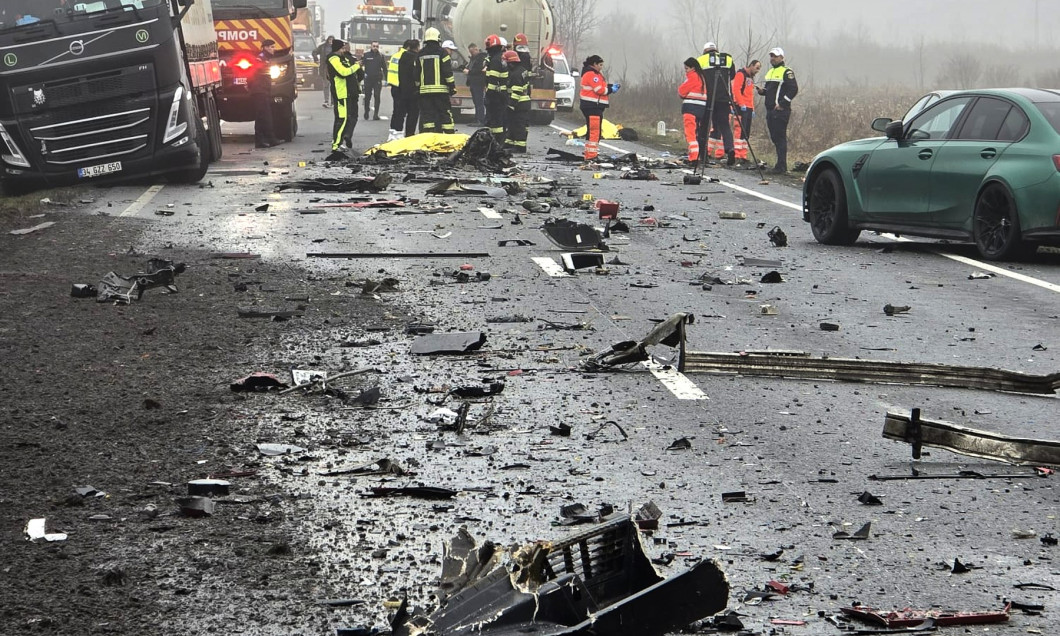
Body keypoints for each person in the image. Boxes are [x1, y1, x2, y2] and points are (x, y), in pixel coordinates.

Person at [758, 47, 798, 173]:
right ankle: (779, 164)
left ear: (781, 57)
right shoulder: (770, 72)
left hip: (780, 111)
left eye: (775, 56)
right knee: (775, 137)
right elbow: (769, 90)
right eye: (771, 56)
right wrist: (762, 91)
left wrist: (783, 103)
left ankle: (781, 166)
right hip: (770, 110)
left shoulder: (787, 71)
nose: (772, 58)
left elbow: (794, 89)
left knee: (780, 138)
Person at [697, 42, 736, 165]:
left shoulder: (700, 60)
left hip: (708, 98)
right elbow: (733, 76)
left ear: (705, 51)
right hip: (724, 98)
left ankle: (703, 155)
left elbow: (698, 79)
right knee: (725, 125)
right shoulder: (727, 59)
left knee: (704, 126)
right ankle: (730, 148)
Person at [578, 54, 618, 162]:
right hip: (592, 106)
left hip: (594, 106)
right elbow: (599, 90)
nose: (601, 67)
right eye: (600, 65)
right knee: (594, 132)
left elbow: (600, 87)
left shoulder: (594, 74)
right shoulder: (591, 74)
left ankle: (590, 154)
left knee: (593, 131)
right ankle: (591, 155)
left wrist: (610, 87)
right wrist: (611, 90)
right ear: (594, 64)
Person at [417, 28, 457, 134]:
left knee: (428, 116)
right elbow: (447, 72)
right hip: (441, 92)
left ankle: (429, 136)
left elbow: (416, 73)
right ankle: (449, 137)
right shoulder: (443, 53)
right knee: (445, 114)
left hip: (425, 92)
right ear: (438, 38)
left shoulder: (420, 54)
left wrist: (417, 87)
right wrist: (452, 87)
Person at [327, 39, 364, 153]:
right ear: (337, 49)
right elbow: (343, 72)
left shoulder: (341, 58)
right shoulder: (333, 59)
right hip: (341, 93)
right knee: (341, 119)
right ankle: (336, 145)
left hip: (347, 92)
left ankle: (339, 143)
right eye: (342, 48)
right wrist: (356, 66)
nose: (344, 50)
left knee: (344, 119)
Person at [250, 39, 281, 148]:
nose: (274, 49)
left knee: (260, 117)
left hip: (262, 90)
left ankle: (260, 141)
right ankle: (271, 139)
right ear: (265, 47)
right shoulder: (261, 59)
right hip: (260, 91)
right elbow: (255, 73)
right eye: (272, 47)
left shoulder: (266, 58)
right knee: (265, 116)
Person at [731, 59, 761, 165]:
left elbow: (750, 95)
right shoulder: (741, 74)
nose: (757, 71)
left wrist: (752, 108)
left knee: (746, 133)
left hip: (748, 107)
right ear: (751, 65)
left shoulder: (750, 78)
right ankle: (737, 155)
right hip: (741, 107)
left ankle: (743, 155)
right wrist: (741, 104)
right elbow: (736, 90)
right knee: (739, 131)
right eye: (757, 68)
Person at [677, 57, 707, 163]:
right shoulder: (702, 77)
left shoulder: (693, 77)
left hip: (691, 108)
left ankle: (693, 157)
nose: (686, 71)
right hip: (700, 109)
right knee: (696, 132)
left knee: (690, 133)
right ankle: (696, 155)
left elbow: (681, 91)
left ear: (692, 68)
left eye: (687, 68)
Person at [503, 50, 531, 153]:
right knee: (513, 124)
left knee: (518, 125)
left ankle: (520, 146)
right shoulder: (522, 70)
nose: (504, 64)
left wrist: (511, 105)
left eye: (505, 62)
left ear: (510, 63)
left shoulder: (516, 74)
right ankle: (509, 143)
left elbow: (517, 91)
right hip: (524, 102)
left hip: (519, 104)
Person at [484, 34, 509, 144]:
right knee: (499, 119)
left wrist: (488, 95)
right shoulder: (500, 58)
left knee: (496, 120)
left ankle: (497, 142)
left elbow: (493, 80)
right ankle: (497, 141)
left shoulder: (495, 60)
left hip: (495, 96)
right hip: (501, 94)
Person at [397, 39, 422, 138]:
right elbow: (416, 74)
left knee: (402, 113)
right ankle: (409, 134)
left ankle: (398, 133)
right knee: (413, 114)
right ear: (417, 47)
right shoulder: (416, 58)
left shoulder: (403, 56)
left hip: (403, 89)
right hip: (413, 91)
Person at [360, 41, 385, 120]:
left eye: (377, 46)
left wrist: (387, 79)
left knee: (377, 96)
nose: (375, 48)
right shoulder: (366, 55)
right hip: (368, 79)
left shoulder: (381, 56)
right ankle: (366, 111)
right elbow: (360, 65)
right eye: (374, 46)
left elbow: (384, 68)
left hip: (377, 79)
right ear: (371, 46)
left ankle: (375, 114)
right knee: (367, 96)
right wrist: (361, 77)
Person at [464, 43, 487, 126]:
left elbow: (479, 70)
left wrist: (469, 72)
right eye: (470, 52)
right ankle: (477, 119)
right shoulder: (473, 58)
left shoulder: (481, 58)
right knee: (476, 102)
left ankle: (480, 120)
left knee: (479, 102)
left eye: (472, 52)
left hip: (478, 82)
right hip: (473, 82)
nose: (471, 54)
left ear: (476, 49)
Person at [314, 35, 334, 108]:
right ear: (327, 40)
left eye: (332, 40)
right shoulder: (322, 47)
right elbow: (314, 52)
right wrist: (316, 59)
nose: (331, 41)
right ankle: (326, 101)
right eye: (330, 39)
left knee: (333, 86)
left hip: (334, 68)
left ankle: (333, 102)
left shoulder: (336, 48)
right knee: (326, 85)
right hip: (325, 68)